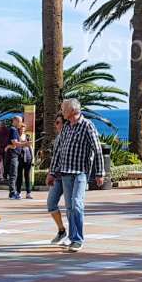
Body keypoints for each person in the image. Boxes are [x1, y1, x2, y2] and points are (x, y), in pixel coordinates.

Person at [45, 98, 105, 252]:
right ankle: (72, 238)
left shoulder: (87, 125)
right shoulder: (66, 127)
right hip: (65, 173)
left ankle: (78, 239)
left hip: (79, 173)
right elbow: (58, 151)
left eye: (63, 108)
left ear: (72, 110)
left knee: (77, 204)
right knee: (70, 207)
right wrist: (52, 173)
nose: (61, 111)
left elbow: (97, 149)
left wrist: (99, 173)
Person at [5, 116, 27, 198]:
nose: (20, 123)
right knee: (13, 174)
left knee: (14, 174)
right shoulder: (13, 130)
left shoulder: (15, 130)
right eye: (19, 121)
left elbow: (16, 142)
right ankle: (12, 193)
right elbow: (14, 143)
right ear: (15, 121)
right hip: (13, 155)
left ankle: (13, 192)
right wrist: (25, 144)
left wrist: (24, 142)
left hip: (15, 155)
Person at [14, 127, 35, 198]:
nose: (22, 131)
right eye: (20, 129)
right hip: (19, 158)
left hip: (28, 157)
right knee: (19, 176)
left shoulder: (27, 136)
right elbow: (15, 146)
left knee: (27, 176)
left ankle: (28, 193)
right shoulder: (16, 137)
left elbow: (31, 147)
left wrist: (32, 158)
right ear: (18, 129)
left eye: (23, 129)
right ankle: (18, 192)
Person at [0, 119, 15, 185]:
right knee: (5, 162)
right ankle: (5, 175)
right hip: (6, 148)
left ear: (0, 125)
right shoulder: (8, 131)